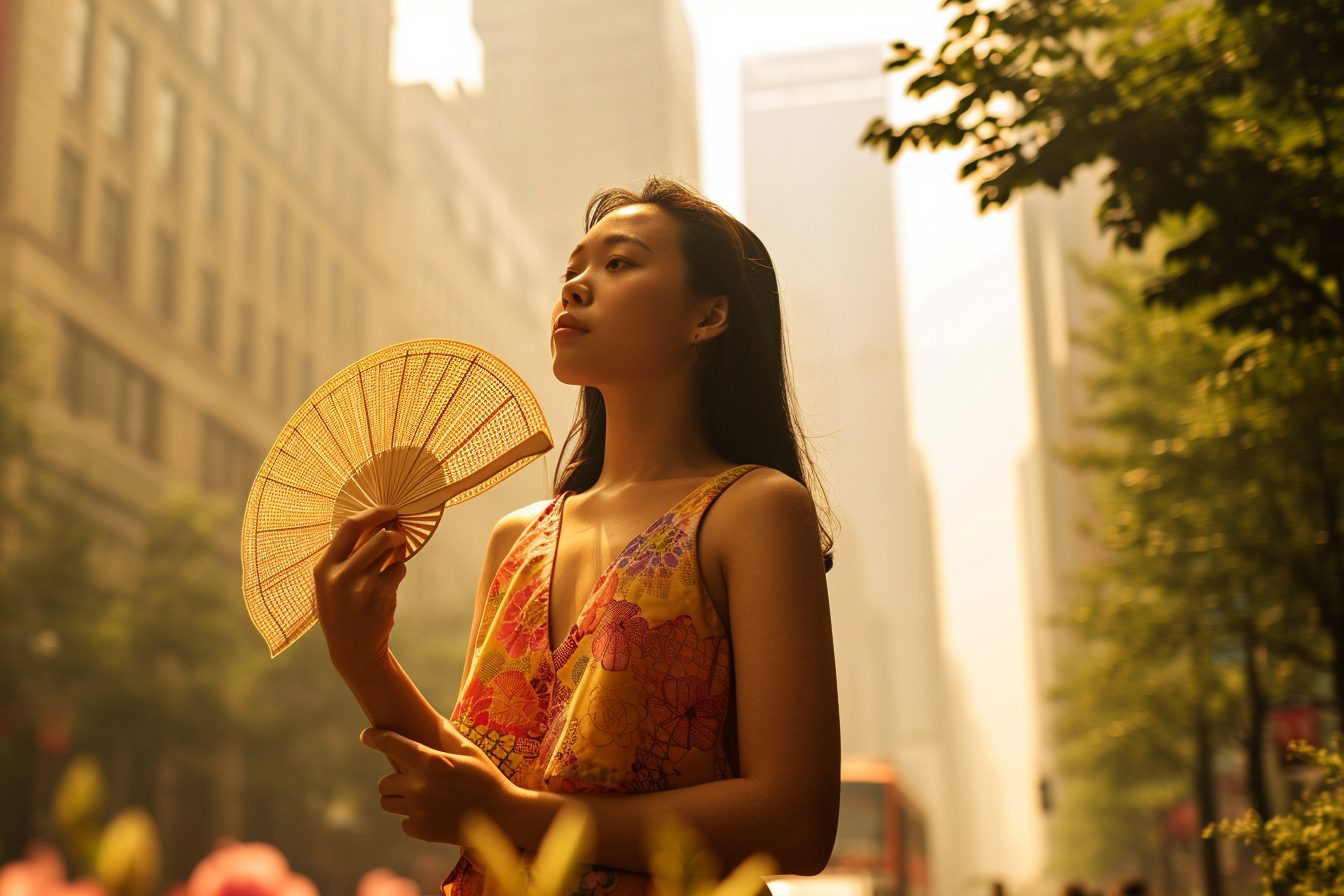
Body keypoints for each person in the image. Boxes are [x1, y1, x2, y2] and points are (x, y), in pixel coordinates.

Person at [314, 175, 842, 896]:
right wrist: (363, 659)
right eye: (572, 269)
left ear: (709, 314)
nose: (576, 286)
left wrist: (517, 815)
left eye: (619, 263)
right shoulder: (516, 538)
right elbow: (473, 786)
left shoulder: (753, 510)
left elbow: (796, 824)